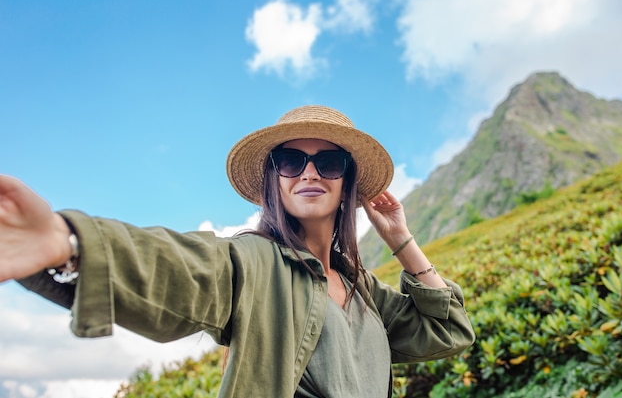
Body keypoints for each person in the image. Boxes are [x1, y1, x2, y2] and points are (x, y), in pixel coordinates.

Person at [0, 105, 475, 397]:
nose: (309, 173)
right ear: (275, 179)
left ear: (347, 183)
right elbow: (183, 266)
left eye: (328, 162)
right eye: (291, 161)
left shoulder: (363, 290)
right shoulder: (254, 261)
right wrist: (69, 242)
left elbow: (449, 330)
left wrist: (401, 240)